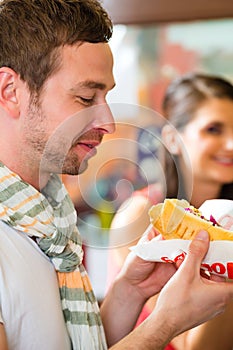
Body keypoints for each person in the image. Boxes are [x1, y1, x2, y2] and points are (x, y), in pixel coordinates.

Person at [0, 2, 233, 349]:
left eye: (105, 96)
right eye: (85, 97)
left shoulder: (47, 221)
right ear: (10, 91)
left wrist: (130, 290)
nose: (107, 122)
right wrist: (165, 324)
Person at [108, 72, 233, 349]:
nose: (231, 144)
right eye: (214, 129)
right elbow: (191, 344)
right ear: (173, 139)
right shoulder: (141, 215)